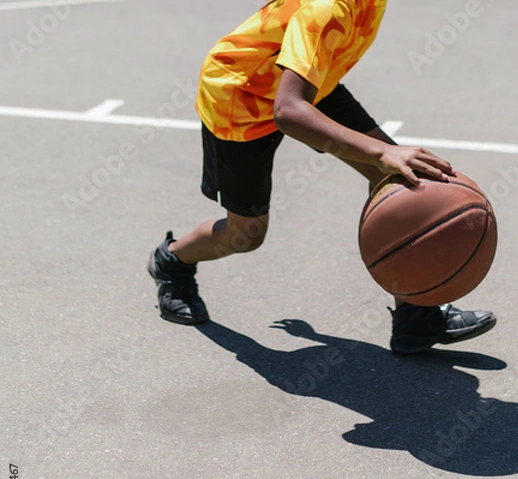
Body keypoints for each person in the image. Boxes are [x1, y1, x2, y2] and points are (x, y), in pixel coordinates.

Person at [147, 0, 496, 354]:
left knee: (398, 178)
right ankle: (173, 261)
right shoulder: (327, 8)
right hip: (241, 99)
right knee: (245, 235)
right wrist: (381, 150)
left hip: (304, 82)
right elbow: (288, 111)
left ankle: (416, 320)